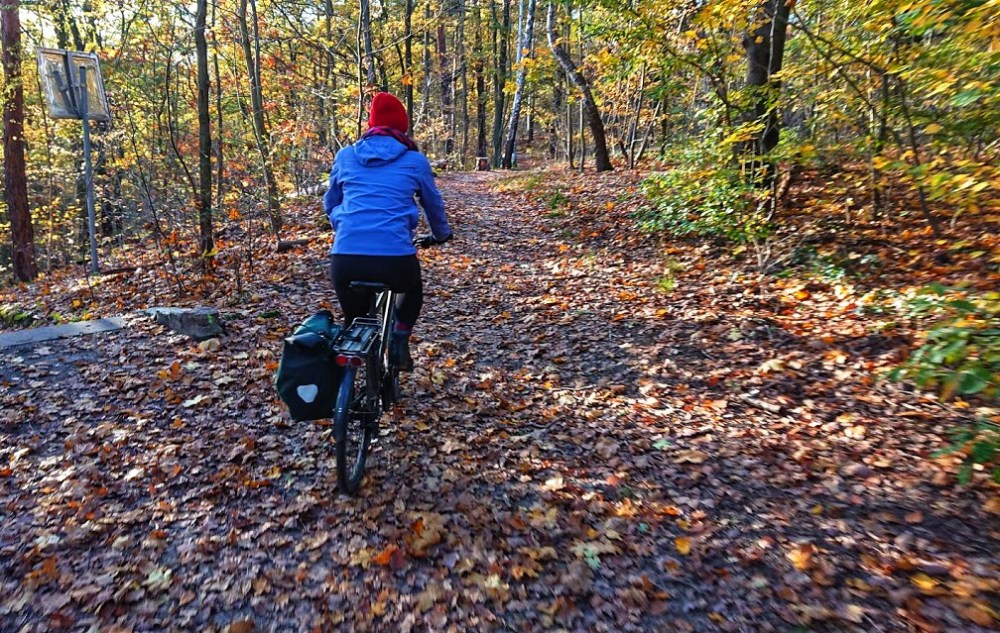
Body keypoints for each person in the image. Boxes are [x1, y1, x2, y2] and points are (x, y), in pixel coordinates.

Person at [323, 92, 452, 371]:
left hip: (345, 258)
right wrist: (441, 235)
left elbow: (331, 202)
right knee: (412, 289)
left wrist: (341, 222)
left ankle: (346, 388)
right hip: (395, 261)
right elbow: (433, 205)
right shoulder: (415, 161)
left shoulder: (345, 156)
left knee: (354, 319)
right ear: (401, 128)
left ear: (370, 126)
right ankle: (399, 336)